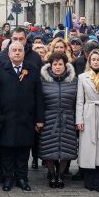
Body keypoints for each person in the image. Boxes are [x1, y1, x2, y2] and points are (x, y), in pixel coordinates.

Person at [0, 41, 44, 191]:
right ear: (8, 53)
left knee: (23, 149)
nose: (17, 52)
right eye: (14, 50)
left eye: (20, 50)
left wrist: (39, 119)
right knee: (6, 150)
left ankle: (22, 177)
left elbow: (38, 95)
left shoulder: (32, 69)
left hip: (26, 117)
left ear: (24, 53)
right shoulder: (0, 69)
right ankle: (8, 177)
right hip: (5, 118)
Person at [39, 53, 79, 188]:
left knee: (66, 148)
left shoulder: (74, 80)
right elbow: (39, 102)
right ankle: (52, 174)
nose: (57, 67)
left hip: (68, 118)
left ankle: (61, 175)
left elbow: (77, 101)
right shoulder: (43, 80)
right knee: (48, 149)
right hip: (49, 118)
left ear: (65, 65)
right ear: (50, 65)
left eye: (60, 64)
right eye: (54, 64)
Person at [76, 49, 99, 191]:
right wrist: (79, 119)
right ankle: (89, 180)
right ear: (89, 61)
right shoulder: (82, 77)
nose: (96, 62)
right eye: (93, 59)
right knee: (88, 146)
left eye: (98, 59)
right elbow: (80, 100)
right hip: (88, 112)